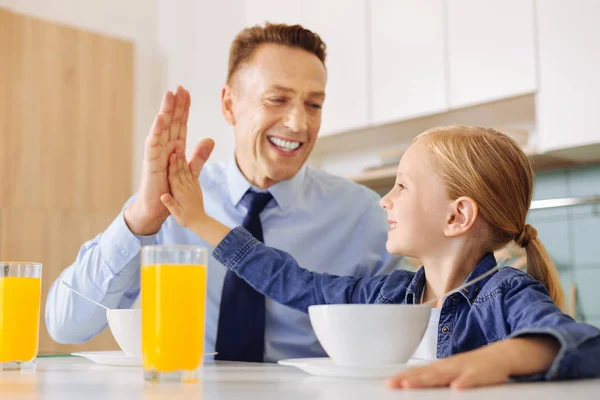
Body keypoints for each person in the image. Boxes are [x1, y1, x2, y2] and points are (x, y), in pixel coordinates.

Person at [45, 23, 400, 362]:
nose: (298, 124)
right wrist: (140, 220)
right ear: (229, 105)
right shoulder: (170, 201)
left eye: (313, 105)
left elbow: (408, 334)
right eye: (277, 99)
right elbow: (66, 325)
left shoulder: (364, 215)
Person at [159, 125, 600, 389]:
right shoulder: (388, 294)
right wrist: (198, 219)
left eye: (402, 186)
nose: (385, 201)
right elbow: (293, 282)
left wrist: (494, 360)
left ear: (457, 215)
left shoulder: (505, 293)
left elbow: (584, 343)